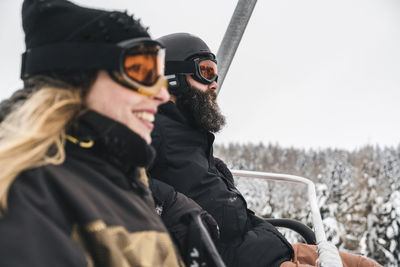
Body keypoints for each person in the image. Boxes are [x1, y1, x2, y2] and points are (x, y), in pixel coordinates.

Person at [147, 32, 383, 267]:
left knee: (367, 265)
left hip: (270, 249)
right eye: (206, 71)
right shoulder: (151, 133)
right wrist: (167, 202)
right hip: (245, 261)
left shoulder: (193, 140)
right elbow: (114, 174)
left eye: (215, 73)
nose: (214, 82)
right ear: (171, 78)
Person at [0, 0, 183, 266]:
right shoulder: (29, 195)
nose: (162, 94)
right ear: (79, 76)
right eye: (142, 70)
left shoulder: (117, 172)